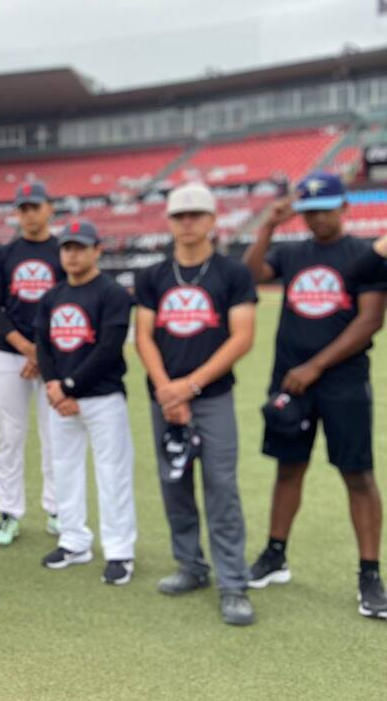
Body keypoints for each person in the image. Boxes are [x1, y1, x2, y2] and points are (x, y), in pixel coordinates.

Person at [243, 172, 387, 619]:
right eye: (308, 212)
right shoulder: (293, 253)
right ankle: (275, 555)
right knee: (289, 469)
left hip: (341, 382)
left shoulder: (364, 255)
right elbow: (249, 276)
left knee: (358, 475)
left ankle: (369, 574)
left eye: (324, 209)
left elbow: (369, 322)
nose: (316, 219)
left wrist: (315, 366)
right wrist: (267, 225)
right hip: (291, 382)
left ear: (344, 207)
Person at [134, 184, 257, 626]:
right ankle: (190, 566)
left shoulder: (232, 273)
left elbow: (242, 337)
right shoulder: (151, 276)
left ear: (211, 220)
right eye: (179, 216)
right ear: (169, 222)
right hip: (164, 400)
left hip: (213, 397)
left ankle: (233, 584)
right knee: (175, 484)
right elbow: (143, 336)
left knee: (222, 488)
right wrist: (167, 389)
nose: (187, 223)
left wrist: (189, 386)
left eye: (195, 215)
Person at [35, 220, 137, 585]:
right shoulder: (52, 296)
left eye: (80, 247)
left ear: (97, 250)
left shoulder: (112, 294)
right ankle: (74, 540)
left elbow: (109, 349)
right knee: (65, 468)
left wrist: (69, 386)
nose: (72, 254)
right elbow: (43, 347)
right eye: (67, 247)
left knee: (113, 473)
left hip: (103, 398)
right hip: (62, 399)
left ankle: (120, 550)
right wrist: (52, 385)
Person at [0, 181, 64, 545]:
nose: (30, 214)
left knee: (55, 435)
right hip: (11, 355)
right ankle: (9, 513)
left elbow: (67, 304)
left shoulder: (64, 251)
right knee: (11, 435)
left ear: (49, 209)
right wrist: (27, 348)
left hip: (55, 356)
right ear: (18, 213)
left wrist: (41, 351)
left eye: (36, 206)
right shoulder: (4, 254)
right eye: (24, 208)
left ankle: (58, 509)